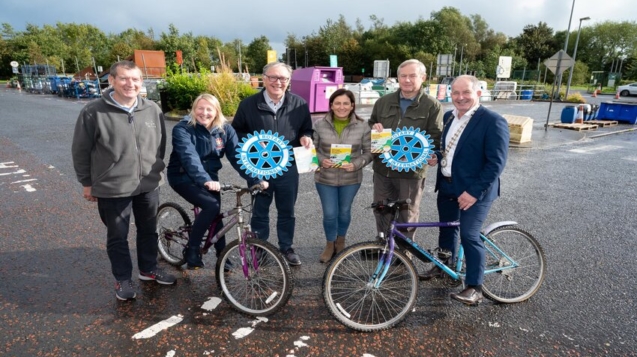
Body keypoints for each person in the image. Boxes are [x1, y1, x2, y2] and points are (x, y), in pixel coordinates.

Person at [71, 60, 176, 301]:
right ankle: (122, 279)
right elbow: (80, 150)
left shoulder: (152, 109)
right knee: (118, 235)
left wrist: (156, 169)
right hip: (112, 186)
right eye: (124, 79)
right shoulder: (93, 111)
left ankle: (148, 270)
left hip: (148, 183)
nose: (131, 84)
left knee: (149, 230)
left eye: (136, 79)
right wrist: (87, 182)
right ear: (112, 81)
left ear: (141, 82)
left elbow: (161, 144)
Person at [420, 75, 509, 305]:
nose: (460, 97)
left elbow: (495, 164)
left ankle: (474, 287)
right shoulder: (450, 116)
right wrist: (436, 157)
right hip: (448, 184)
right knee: (447, 230)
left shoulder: (492, 120)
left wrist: (473, 192)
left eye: (466, 92)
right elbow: (448, 147)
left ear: (478, 93)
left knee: (469, 235)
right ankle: (444, 266)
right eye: (455, 93)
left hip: (475, 190)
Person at [166, 94, 267, 270]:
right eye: (200, 108)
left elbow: (238, 156)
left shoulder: (225, 130)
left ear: (216, 111)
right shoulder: (183, 129)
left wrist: (255, 179)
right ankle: (192, 248)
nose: (204, 113)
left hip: (210, 177)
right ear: (194, 109)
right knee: (211, 206)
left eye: (209, 109)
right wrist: (205, 180)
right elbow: (189, 157)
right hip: (182, 176)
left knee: (216, 214)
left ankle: (222, 256)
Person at [231, 62, 313, 266]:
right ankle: (259, 248)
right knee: (260, 211)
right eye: (273, 77)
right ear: (264, 78)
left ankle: (286, 247)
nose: (278, 82)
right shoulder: (248, 105)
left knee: (287, 211)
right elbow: (236, 133)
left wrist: (306, 137)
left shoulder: (299, 104)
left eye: (283, 78)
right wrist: (255, 145)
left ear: (289, 81)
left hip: (288, 168)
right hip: (260, 168)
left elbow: (308, 129)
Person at [368, 59, 443, 238]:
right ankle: (383, 248)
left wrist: (433, 155)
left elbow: (435, 137)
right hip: (383, 170)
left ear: (423, 77)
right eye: (403, 76)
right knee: (381, 210)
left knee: (407, 215)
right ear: (398, 78)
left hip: (411, 172)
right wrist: (373, 128)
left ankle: (404, 256)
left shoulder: (432, 105)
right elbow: (371, 123)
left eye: (412, 76)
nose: (407, 80)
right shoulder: (383, 102)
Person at [313, 89, 373, 263]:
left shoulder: (363, 125)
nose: (341, 107)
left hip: (351, 178)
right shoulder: (319, 124)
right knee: (330, 213)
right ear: (331, 105)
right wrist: (321, 160)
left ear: (352, 105)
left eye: (346, 103)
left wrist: (356, 164)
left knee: (344, 212)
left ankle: (341, 241)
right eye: (337, 103)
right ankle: (330, 244)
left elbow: (369, 152)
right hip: (325, 177)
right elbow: (312, 150)